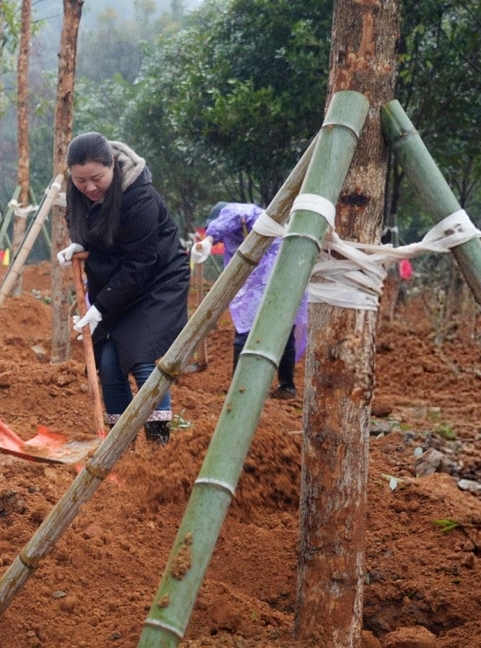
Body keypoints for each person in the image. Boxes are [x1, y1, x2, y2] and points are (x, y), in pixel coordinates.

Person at [57, 132, 190, 445]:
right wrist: (79, 242)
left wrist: (99, 308)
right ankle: (120, 448)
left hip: (158, 280)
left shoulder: (139, 196)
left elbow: (140, 263)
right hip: (115, 282)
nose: (89, 187)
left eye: (97, 178)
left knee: (142, 357)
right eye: (80, 181)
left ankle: (159, 448)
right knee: (108, 362)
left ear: (112, 165)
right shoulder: (78, 190)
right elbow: (83, 224)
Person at [195, 201, 306, 399]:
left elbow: (234, 216)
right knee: (285, 332)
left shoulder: (238, 212)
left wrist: (209, 240)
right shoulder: (265, 223)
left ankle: (240, 387)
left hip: (262, 280)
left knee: (245, 332)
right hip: (287, 276)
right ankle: (287, 386)